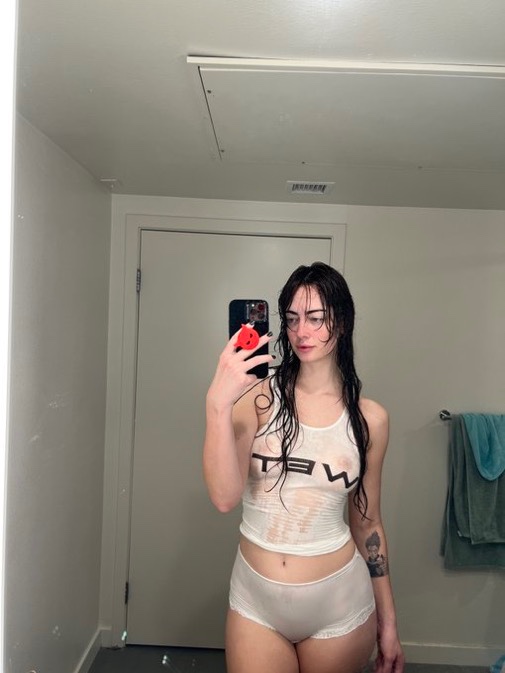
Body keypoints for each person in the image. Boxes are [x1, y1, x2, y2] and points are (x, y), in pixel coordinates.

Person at [203, 262, 404, 673]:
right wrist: (217, 404)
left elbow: (368, 523)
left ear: (341, 322)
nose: (301, 332)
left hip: (339, 606)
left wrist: (389, 623)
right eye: (292, 319)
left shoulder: (370, 420)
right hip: (256, 603)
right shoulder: (258, 399)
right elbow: (224, 498)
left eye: (315, 318)